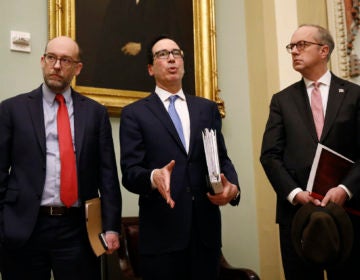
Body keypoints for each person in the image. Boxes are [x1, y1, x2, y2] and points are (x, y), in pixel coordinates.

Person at [0, 36, 122, 280]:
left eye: (65, 60)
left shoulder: (95, 113)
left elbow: (107, 175)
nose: (57, 65)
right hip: (24, 227)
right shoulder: (12, 109)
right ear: (42, 61)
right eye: (52, 58)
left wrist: (111, 227)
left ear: (77, 68)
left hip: (77, 229)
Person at [119, 35, 241, 280]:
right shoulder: (135, 114)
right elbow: (130, 173)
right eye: (162, 54)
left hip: (205, 236)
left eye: (176, 53)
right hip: (162, 236)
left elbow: (221, 157)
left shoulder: (206, 109)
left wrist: (234, 187)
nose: (172, 58)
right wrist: (154, 177)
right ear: (151, 69)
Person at [260, 24, 360, 279]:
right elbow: (270, 155)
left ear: (324, 50)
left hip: (348, 213)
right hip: (298, 214)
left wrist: (345, 189)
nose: (294, 51)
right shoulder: (281, 100)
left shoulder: (354, 95)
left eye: (301, 45)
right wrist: (295, 193)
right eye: (291, 47)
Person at [92, 0, 194, 93]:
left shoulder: (164, 3)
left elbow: (169, 33)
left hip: (148, 67)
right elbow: (109, 34)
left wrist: (142, 46)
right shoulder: (118, 3)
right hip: (121, 66)